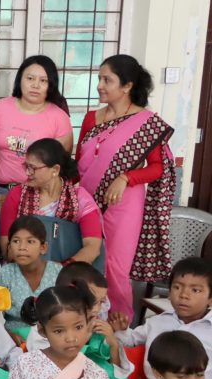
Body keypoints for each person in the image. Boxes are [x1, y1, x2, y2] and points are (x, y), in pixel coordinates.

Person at [77, 55, 176, 320]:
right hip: (86, 200)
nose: (99, 85)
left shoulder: (146, 123)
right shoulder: (91, 118)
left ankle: (119, 326)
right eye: (99, 78)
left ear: (127, 86)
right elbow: (79, 162)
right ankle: (84, 320)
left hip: (124, 203)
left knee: (116, 267)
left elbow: (158, 168)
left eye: (107, 80)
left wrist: (125, 178)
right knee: (87, 261)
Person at [0, 55, 73, 268]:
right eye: (30, 78)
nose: (35, 85)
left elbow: (61, 164)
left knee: (32, 252)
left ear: (51, 84)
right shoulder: (0, 108)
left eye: (43, 80)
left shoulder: (59, 117)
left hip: (38, 196)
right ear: (20, 79)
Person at [0, 138, 102, 265]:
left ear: (55, 170)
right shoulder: (17, 194)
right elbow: (6, 244)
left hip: (68, 272)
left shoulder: (80, 199)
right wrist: (32, 270)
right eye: (26, 166)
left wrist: (59, 270)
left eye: (33, 168)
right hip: (24, 268)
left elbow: (92, 247)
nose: (27, 173)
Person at [112, 257, 212, 379]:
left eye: (195, 290)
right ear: (169, 291)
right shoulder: (157, 322)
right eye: (177, 287)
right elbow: (131, 341)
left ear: (210, 298)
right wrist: (121, 331)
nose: (184, 295)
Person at [0, 216, 62, 336]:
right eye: (16, 241)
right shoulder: (5, 274)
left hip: (51, 338)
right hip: (13, 340)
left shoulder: (57, 272)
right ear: (9, 247)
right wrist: (9, 335)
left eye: (30, 241)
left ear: (43, 247)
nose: (22, 248)